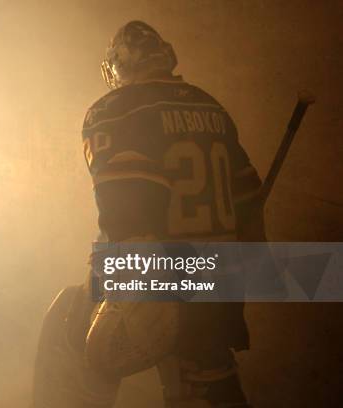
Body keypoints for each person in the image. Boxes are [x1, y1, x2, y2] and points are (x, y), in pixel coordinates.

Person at [32, 21, 264, 408]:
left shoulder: (116, 109)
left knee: (70, 335)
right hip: (220, 278)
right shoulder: (210, 105)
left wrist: (118, 280)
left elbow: (128, 209)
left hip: (165, 274)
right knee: (207, 376)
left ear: (120, 64)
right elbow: (249, 196)